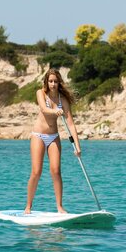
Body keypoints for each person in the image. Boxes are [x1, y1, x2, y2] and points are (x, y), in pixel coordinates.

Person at [26, 68, 81, 214]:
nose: (53, 84)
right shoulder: (41, 93)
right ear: (46, 82)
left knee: (56, 171)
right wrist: (55, 111)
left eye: (55, 81)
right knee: (36, 171)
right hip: (38, 135)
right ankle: (28, 206)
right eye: (50, 81)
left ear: (59, 82)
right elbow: (44, 109)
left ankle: (59, 207)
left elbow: (70, 124)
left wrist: (77, 146)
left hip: (53, 137)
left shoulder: (63, 100)